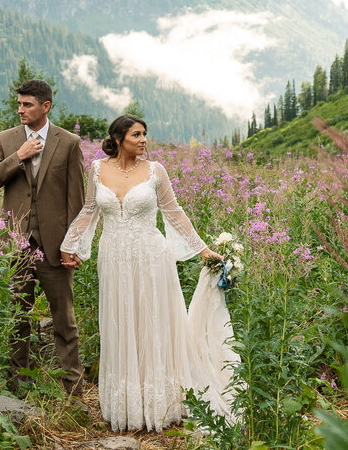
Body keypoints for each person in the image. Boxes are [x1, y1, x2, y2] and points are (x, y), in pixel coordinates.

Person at [60, 114, 236, 431]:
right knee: (120, 323)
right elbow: (89, 210)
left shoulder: (156, 171)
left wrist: (203, 249)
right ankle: (128, 403)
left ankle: (162, 402)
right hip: (113, 259)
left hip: (153, 259)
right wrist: (70, 244)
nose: (144, 140)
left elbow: (174, 212)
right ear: (117, 139)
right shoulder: (98, 169)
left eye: (145, 134)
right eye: (137, 135)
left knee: (153, 325)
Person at [0, 79, 87, 396]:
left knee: (65, 323)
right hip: (16, 246)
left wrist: (73, 246)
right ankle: (18, 391)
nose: (20, 110)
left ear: (46, 106)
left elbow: (77, 201)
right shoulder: (6, 140)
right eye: (18, 104)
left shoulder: (68, 143)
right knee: (17, 319)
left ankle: (73, 393)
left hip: (55, 248)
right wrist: (18, 155)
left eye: (27, 104)